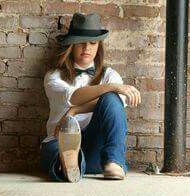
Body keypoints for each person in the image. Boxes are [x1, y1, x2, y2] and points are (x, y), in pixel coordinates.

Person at [40, 12, 141, 183]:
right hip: (60, 140)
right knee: (56, 150)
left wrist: (76, 110)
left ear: (98, 46)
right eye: (81, 43)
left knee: (111, 99)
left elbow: (113, 104)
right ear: (71, 45)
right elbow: (73, 97)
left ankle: (113, 162)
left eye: (92, 43)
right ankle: (69, 163)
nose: (87, 48)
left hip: (96, 149)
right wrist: (112, 87)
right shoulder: (54, 76)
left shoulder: (110, 74)